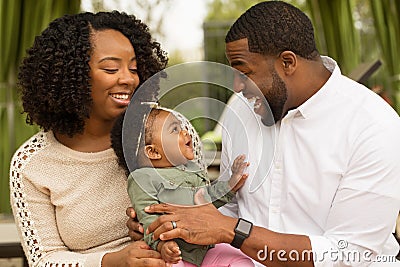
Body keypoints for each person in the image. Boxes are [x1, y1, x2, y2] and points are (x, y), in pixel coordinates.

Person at [127, 1, 400, 266]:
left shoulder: (374, 126)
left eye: (243, 72)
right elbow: (228, 209)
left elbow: (348, 255)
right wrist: (168, 222)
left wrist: (234, 231)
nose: (236, 87)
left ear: (288, 63)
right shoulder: (241, 109)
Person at [9, 11, 170, 267]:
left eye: (134, 68)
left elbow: (202, 203)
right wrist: (112, 261)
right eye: (110, 68)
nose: (128, 78)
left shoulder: (166, 130)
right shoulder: (33, 163)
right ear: (69, 75)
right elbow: (44, 259)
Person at [111, 105, 254, 267]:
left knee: (239, 260)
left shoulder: (193, 168)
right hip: (172, 254)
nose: (185, 132)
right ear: (153, 152)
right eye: (174, 130)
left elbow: (207, 199)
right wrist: (162, 245)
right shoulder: (142, 178)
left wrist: (231, 184)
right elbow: (148, 219)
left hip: (205, 250)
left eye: (181, 127)